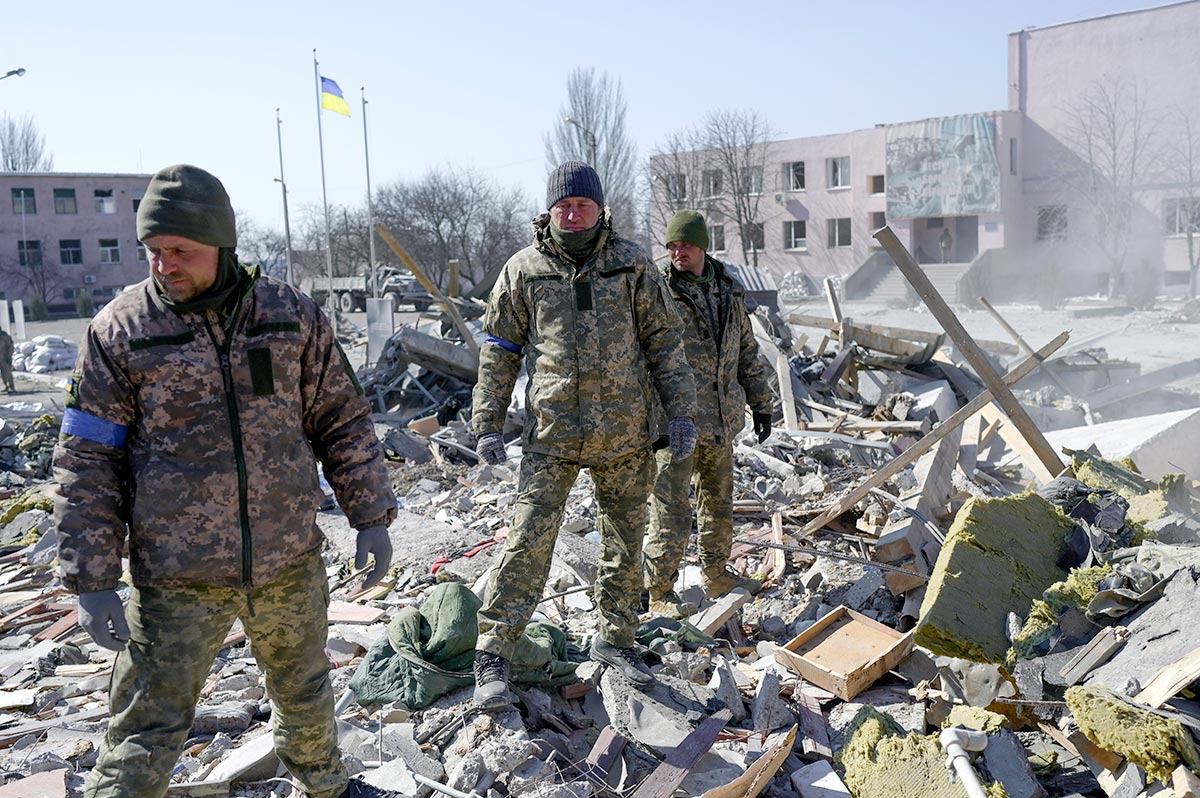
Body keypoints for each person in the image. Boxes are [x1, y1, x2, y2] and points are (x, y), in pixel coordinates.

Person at [51, 165, 402, 798]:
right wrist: (92, 577)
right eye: (154, 251)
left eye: (181, 250)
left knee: (305, 696)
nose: (165, 265)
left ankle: (325, 788)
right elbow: (86, 463)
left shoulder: (289, 317)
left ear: (222, 243)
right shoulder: (120, 332)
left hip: (287, 561)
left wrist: (369, 514)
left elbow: (341, 419)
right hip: (175, 579)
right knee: (144, 729)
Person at [471, 161, 698, 708]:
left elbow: (665, 343)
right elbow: (499, 353)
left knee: (625, 541)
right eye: (563, 206)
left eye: (583, 206)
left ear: (601, 210)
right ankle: (492, 655)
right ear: (549, 211)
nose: (573, 215)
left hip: (625, 434)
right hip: (551, 434)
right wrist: (487, 423)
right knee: (527, 541)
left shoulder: (632, 265)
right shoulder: (524, 270)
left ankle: (616, 640)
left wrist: (681, 413)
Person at [643, 211, 776, 618]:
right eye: (671, 246)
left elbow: (747, 352)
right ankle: (659, 590)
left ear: (702, 246)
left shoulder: (728, 290)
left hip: (719, 417)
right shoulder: (657, 289)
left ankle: (717, 574)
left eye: (684, 245)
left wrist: (762, 401)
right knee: (670, 505)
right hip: (673, 420)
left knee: (718, 502)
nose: (677, 252)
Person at [0, 328, 13, 393]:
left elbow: (10, 346)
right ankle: (5, 386)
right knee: (3, 374)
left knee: (7, 373)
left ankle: (11, 387)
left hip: (5, 358)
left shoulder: (4, 336)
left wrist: (9, 356)